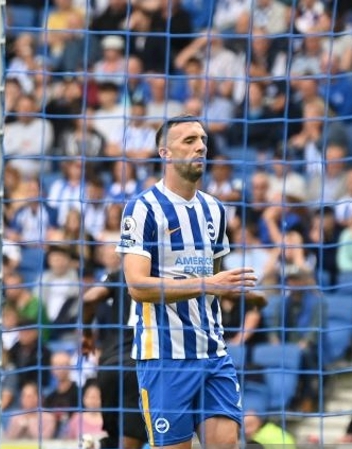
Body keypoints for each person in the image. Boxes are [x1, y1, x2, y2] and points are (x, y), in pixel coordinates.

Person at [116, 114, 267, 448]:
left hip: (213, 352)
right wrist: (209, 285)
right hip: (165, 357)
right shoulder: (143, 209)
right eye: (189, 141)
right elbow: (138, 286)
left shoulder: (214, 210)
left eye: (203, 141)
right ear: (164, 153)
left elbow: (215, 278)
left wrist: (241, 293)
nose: (200, 147)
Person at [82, 242, 147, 449]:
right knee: (132, 438)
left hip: (109, 364)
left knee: (113, 436)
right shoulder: (162, 276)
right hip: (141, 361)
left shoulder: (119, 275)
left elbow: (89, 297)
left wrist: (86, 334)